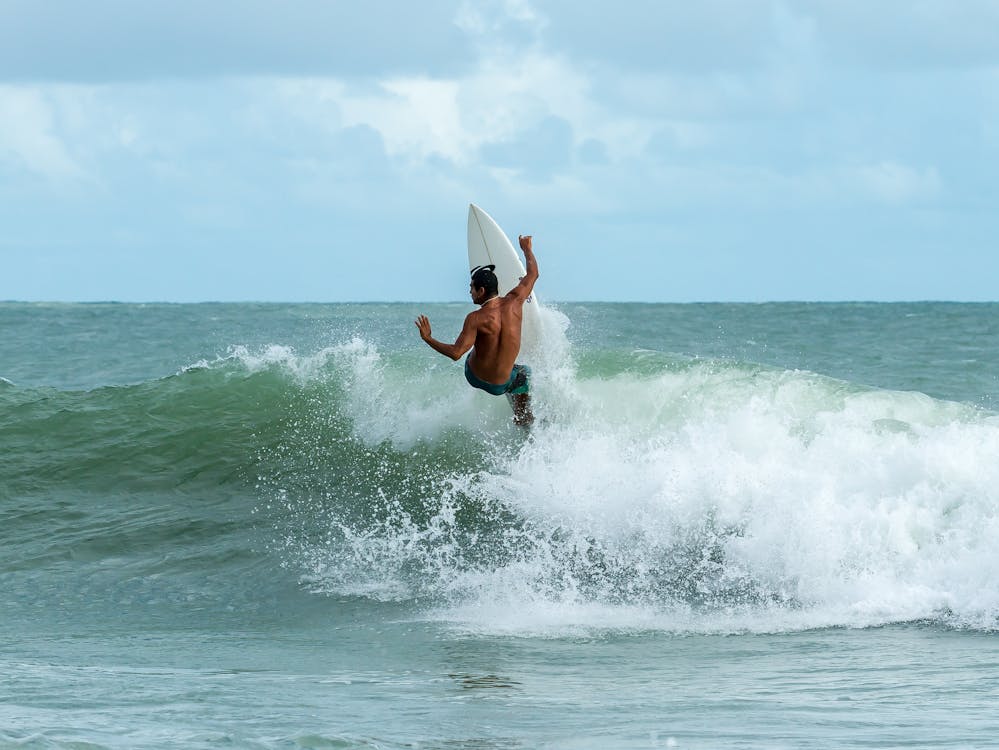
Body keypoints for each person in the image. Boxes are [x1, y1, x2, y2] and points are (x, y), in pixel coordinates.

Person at [415, 234, 539, 426]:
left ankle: (517, 406)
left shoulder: (475, 318)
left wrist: (428, 338)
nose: (470, 292)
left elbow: (456, 353)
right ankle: (522, 416)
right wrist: (526, 249)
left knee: (476, 345)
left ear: (481, 291)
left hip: (475, 377)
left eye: (472, 288)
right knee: (524, 373)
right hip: (501, 384)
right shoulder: (516, 301)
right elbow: (533, 274)